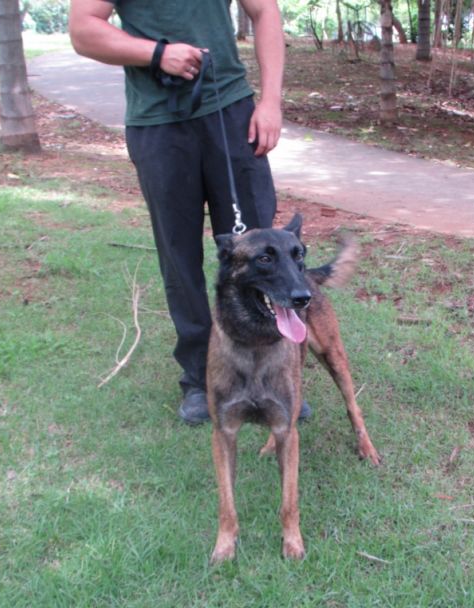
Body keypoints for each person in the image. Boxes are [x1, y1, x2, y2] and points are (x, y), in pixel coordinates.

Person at [69, 0, 309, 424]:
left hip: (231, 112)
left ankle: (274, 376)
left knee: (260, 251)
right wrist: (157, 54)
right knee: (178, 257)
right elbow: (84, 30)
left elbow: (265, 11)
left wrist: (270, 101)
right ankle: (200, 378)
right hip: (157, 125)